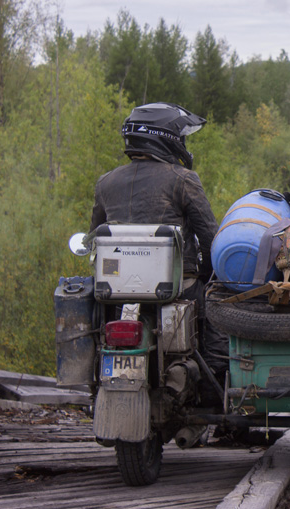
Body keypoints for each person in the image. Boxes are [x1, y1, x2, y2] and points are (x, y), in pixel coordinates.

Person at [90, 102, 228, 403]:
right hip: (178, 287)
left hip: (119, 292)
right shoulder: (183, 179)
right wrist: (209, 273)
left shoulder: (106, 182)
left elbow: (95, 236)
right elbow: (209, 236)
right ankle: (213, 390)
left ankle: (96, 385)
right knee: (218, 304)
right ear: (168, 138)